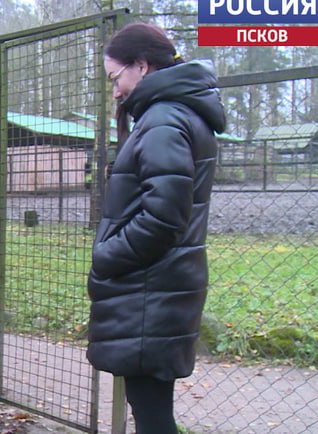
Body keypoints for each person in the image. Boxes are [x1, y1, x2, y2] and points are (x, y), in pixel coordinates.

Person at [86, 23, 226, 434]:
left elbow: (163, 218)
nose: (115, 91)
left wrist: (106, 255)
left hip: (151, 291)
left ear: (142, 66)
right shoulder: (173, 114)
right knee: (151, 411)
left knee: (152, 416)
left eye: (115, 78)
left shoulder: (164, 120)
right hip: (158, 289)